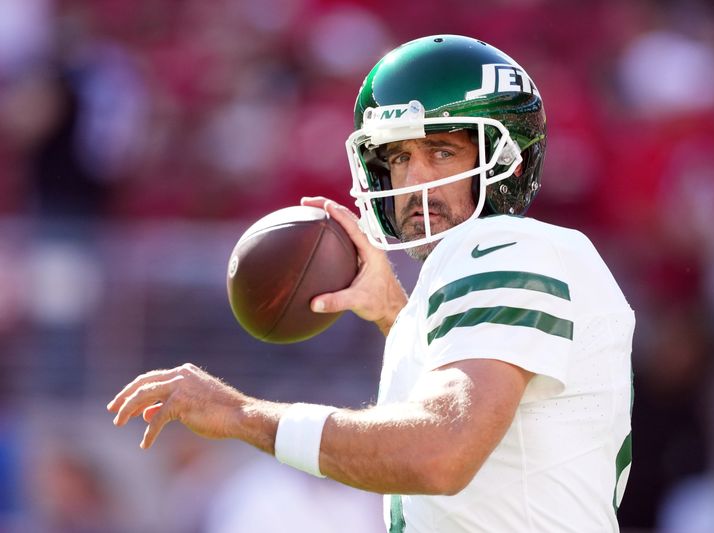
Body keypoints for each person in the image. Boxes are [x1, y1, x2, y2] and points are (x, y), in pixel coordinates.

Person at [108, 34, 635, 532]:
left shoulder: (507, 248)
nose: (414, 182)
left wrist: (242, 415)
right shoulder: (498, 264)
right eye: (400, 158)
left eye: (442, 153)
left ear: (504, 161)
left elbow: (440, 453)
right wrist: (396, 314)